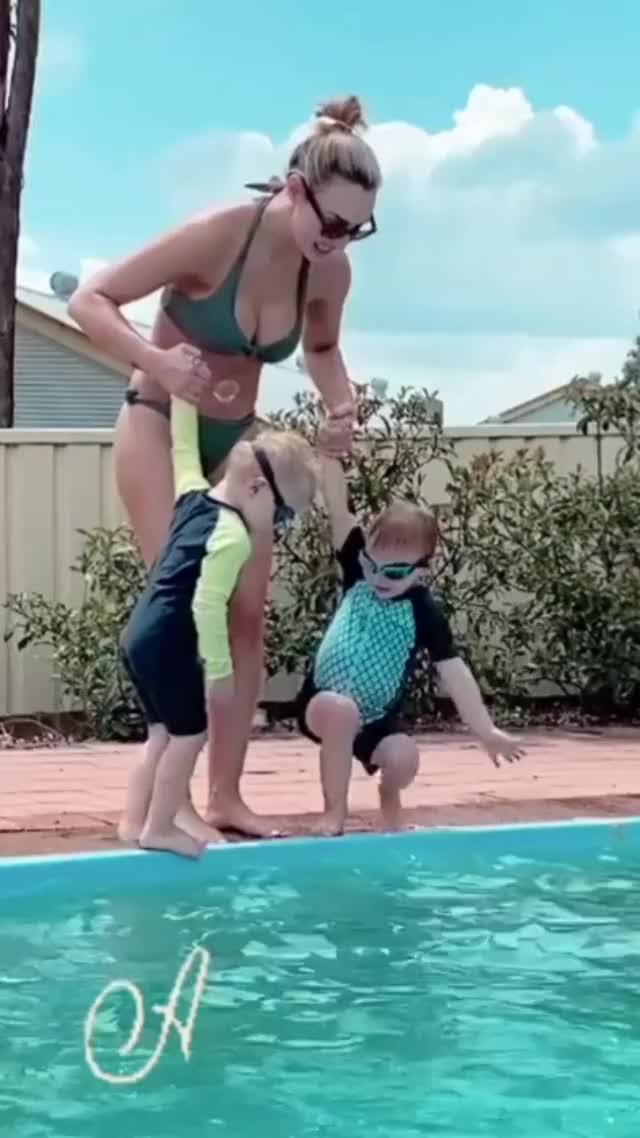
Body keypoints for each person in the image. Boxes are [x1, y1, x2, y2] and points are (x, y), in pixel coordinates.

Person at [68, 93, 380, 839]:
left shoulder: (326, 272)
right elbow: (91, 299)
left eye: (356, 228)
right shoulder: (218, 235)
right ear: (293, 188)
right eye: (330, 221)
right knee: (181, 616)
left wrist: (341, 405)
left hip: (238, 451)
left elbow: (324, 351)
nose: (338, 240)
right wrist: (156, 361)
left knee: (245, 622)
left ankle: (226, 796)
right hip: (157, 429)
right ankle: (160, 802)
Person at [119, 395, 317, 857]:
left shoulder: (191, 496)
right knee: (189, 735)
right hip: (169, 640)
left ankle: (134, 822)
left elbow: (183, 450)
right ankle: (161, 827)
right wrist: (221, 671)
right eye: (284, 516)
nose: (280, 527)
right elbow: (208, 605)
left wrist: (184, 394)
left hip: (138, 636)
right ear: (257, 492)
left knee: (160, 735)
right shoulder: (231, 536)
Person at [296, 443, 524, 835]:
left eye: (396, 571)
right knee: (341, 711)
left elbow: (455, 674)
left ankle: (390, 796)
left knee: (404, 758)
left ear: (423, 569)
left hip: (376, 719)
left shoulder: (423, 611)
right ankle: (335, 812)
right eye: (373, 564)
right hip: (323, 703)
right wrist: (331, 454)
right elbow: (338, 507)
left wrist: (486, 731)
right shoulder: (356, 572)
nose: (380, 577)